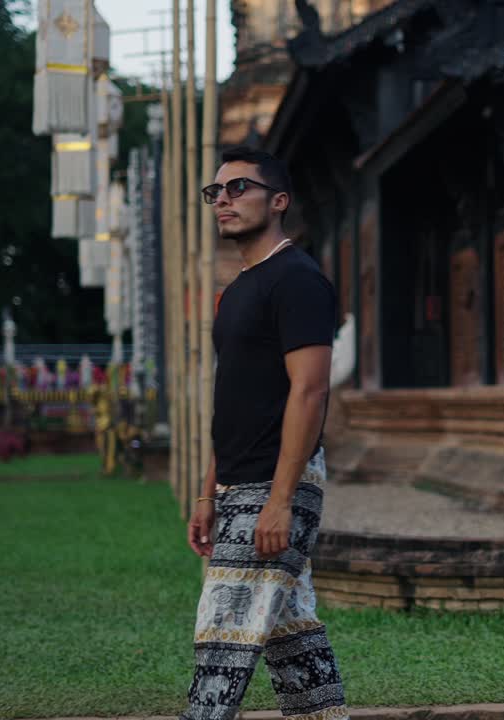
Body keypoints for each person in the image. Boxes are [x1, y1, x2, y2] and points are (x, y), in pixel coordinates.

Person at [181, 147, 348, 720]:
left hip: (275, 482)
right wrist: (210, 493)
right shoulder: (238, 291)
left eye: (238, 189)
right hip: (238, 483)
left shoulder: (298, 281)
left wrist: (279, 501)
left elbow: (310, 393)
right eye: (216, 192)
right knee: (291, 636)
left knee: (221, 642)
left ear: (278, 201)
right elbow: (235, 399)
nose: (222, 200)